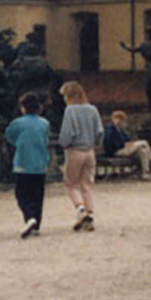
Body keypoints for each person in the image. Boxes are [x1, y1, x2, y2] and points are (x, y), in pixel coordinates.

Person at [57, 80, 102, 232]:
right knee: (87, 184)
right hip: (90, 150)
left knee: (71, 183)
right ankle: (90, 214)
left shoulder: (70, 110)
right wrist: (95, 143)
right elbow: (99, 132)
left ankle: (80, 208)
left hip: (74, 150)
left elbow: (68, 132)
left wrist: (63, 143)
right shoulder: (92, 109)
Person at [6, 92, 50, 238]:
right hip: (40, 163)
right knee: (38, 195)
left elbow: (10, 136)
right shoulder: (44, 123)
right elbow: (46, 139)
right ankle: (36, 222)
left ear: (23, 107)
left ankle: (29, 217)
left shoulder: (17, 123)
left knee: (22, 194)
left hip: (22, 163)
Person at [103, 109, 151, 180]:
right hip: (116, 151)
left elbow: (127, 139)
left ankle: (145, 173)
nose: (120, 121)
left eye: (121, 120)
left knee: (143, 151)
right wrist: (125, 144)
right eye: (118, 119)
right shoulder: (110, 129)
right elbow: (112, 142)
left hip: (124, 149)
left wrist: (128, 143)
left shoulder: (121, 130)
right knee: (144, 142)